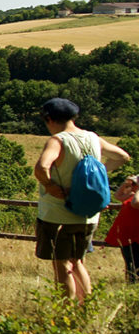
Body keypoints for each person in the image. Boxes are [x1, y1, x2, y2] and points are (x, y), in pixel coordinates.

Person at [34, 97, 129, 301]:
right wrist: (100, 171)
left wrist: (51, 186)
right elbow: (122, 157)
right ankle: (85, 307)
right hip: (88, 215)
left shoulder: (58, 140)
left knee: (62, 264)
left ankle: (65, 310)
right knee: (77, 261)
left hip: (59, 214)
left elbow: (42, 167)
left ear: (49, 119)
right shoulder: (93, 138)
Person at [106, 175, 139, 284]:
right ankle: (131, 283)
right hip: (126, 233)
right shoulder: (133, 194)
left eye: (134, 184)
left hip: (136, 234)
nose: (133, 186)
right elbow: (117, 196)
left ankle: (134, 284)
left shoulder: (136, 196)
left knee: (136, 261)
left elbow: (135, 204)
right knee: (129, 261)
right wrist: (125, 183)